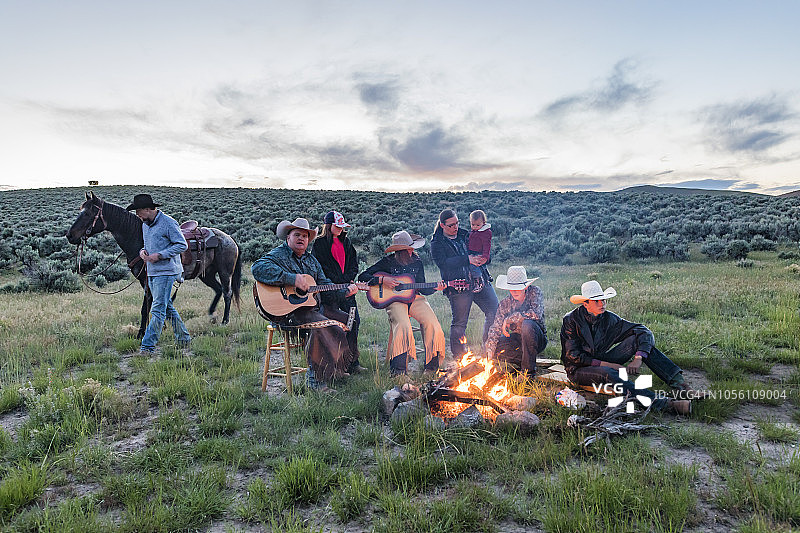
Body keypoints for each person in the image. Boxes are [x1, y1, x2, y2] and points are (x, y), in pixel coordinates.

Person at [252, 218, 359, 392]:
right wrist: (292, 279)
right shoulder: (279, 254)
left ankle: (336, 369)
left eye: (305, 235)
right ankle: (316, 381)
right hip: (287, 313)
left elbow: (324, 284)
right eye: (297, 235)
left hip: (309, 308)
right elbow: (257, 268)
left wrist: (344, 291)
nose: (301, 238)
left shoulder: (311, 261)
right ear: (288, 238)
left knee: (347, 320)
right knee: (321, 326)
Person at [560, 280, 692, 414]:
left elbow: (642, 331)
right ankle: (665, 404)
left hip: (601, 359)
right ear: (585, 303)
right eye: (597, 301)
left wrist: (639, 357)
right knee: (608, 373)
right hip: (578, 368)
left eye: (604, 300)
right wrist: (611, 365)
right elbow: (573, 356)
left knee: (642, 343)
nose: (602, 304)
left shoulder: (608, 318)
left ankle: (681, 385)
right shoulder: (571, 320)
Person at [359, 231, 446, 376]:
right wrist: (382, 280)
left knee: (432, 323)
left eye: (412, 248)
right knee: (403, 325)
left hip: (415, 298)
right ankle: (398, 373)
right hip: (395, 301)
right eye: (409, 249)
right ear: (400, 251)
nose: (412, 251)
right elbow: (363, 276)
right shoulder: (388, 261)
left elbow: (421, 286)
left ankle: (431, 368)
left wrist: (436, 288)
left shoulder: (417, 262)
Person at [127, 193, 191, 354]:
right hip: (153, 272)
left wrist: (160, 255)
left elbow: (182, 245)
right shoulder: (145, 224)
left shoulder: (168, 223)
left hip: (167, 271)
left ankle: (147, 347)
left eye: (139, 212)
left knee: (157, 309)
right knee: (166, 306)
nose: (138, 215)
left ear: (148, 209)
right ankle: (183, 338)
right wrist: (143, 252)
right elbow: (147, 245)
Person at [431, 209, 499, 358]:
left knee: (494, 311)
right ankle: (460, 359)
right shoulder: (437, 243)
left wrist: (484, 258)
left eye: (457, 223)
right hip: (459, 286)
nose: (456, 227)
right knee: (460, 324)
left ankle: (488, 350)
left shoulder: (464, 233)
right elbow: (443, 263)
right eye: (451, 225)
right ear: (442, 225)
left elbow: (483, 248)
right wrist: (466, 259)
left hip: (480, 280)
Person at [312, 210, 365, 374]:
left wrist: (347, 278)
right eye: (338, 226)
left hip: (348, 290)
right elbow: (320, 268)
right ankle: (336, 364)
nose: (341, 229)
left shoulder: (347, 243)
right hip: (330, 292)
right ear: (329, 226)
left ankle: (352, 362)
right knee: (335, 327)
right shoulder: (319, 245)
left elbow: (353, 265)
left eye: (342, 226)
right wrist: (337, 283)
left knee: (354, 322)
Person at [485, 266, 546, 377]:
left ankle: (528, 373)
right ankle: (526, 360)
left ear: (525, 287)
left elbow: (536, 314)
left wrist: (510, 319)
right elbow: (495, 328)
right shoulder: (505, 303)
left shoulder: (535, 292)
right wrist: (490, 352)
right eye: (511, 287)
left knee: (527, 324)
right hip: (517, 340)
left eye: (518, 287)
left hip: (536, 338)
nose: (514, 291)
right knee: (494, 346)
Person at [468, 209, 492, 283]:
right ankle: (487, 276)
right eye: (473, 225)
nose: (475, 227)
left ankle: (478, 280)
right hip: (472, 251)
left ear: (483, 223)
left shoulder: (485, 233)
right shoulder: (475, 231)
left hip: (479, 252)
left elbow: (487, 245)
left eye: (477, 225)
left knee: (475, 266)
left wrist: (485, 256)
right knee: (481, 266)